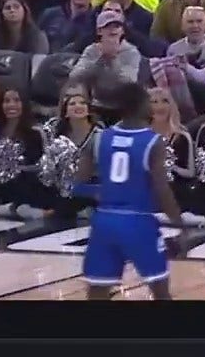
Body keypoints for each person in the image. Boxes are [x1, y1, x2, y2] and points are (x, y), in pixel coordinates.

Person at [74, 83, 186, 301]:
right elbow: (161, 189)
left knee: (97, 292)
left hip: (104, 221)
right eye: (147, 100)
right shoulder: (153, 141)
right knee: (160, 291)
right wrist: (178, 222)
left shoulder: (99, 138)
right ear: (139, 105)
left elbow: (77, 185)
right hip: (139, 222)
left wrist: (102, 191)